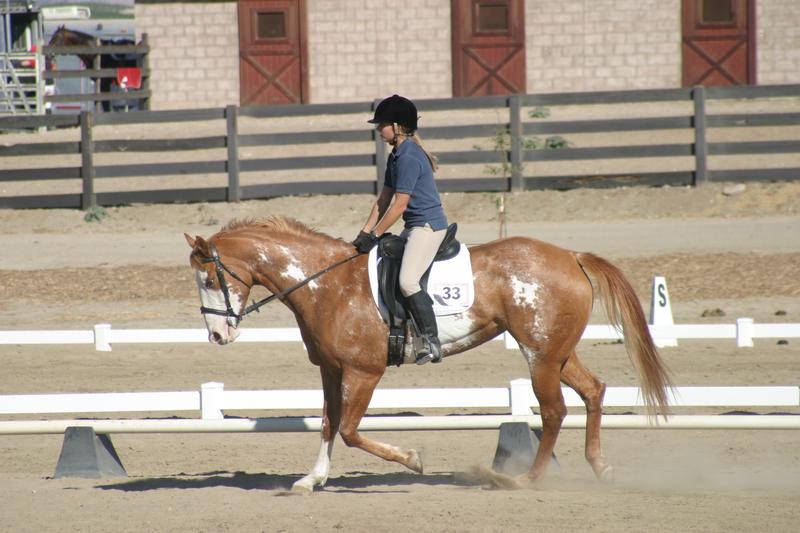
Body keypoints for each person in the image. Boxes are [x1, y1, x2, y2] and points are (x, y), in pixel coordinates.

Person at [352, 94, 449, 365]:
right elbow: (383, 200)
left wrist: (376, 234)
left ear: (396, 126)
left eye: (381, 124)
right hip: (414, 225)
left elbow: (399, 205)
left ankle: (430, 341)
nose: (377, 129)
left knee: (408, 281)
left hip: (428, 226)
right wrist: (364, 233)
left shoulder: (408, 156)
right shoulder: (396, 155)